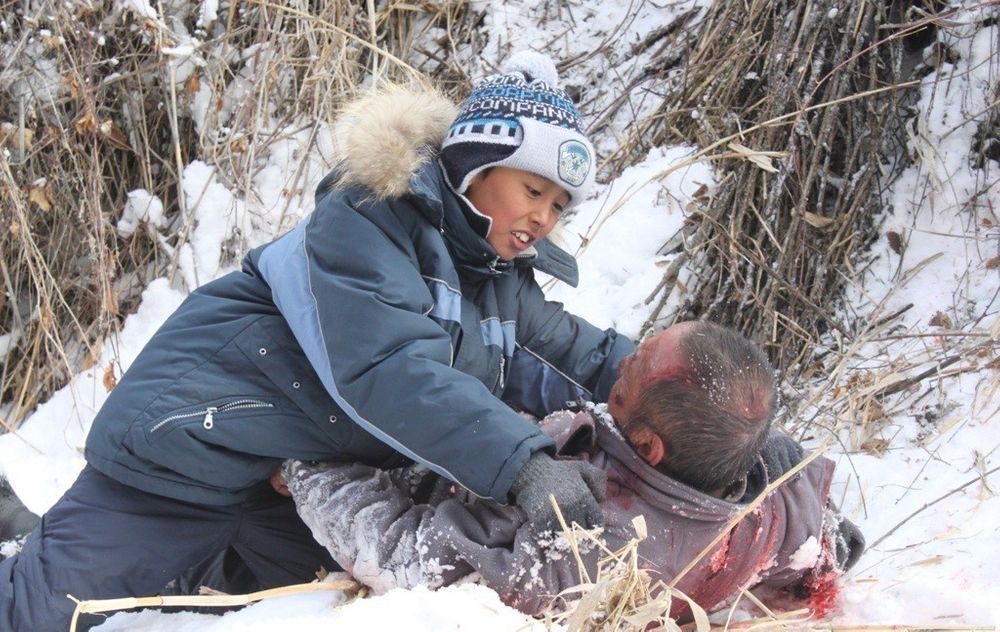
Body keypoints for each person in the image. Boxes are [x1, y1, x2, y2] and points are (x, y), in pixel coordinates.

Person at [0, 52, 634, 631]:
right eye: (532, 190)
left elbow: (574, 356)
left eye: (560, 205)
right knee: (38, 613)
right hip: (186, 458)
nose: (543, 218)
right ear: (474, 168)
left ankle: (40, 542)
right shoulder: (370, 217)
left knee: (274, 605)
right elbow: (389, 368)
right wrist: (521, 463)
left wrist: (672, 385)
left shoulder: (499, 284)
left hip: (284, 489)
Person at [285, 321, 865, 620]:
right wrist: (766, 450)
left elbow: (403, 559)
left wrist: (313, 470)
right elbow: (840, 546)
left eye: (629, 379)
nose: (624, 362)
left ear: (648, 445)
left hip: (404, 482)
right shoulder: (779, 504)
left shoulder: (590, 545)